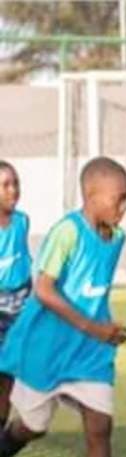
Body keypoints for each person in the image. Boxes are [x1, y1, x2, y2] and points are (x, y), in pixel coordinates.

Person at [0, 157, 126, 457]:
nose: (124, 206)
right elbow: (44, 290)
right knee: (33, 425)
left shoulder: (117, 238)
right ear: (92, 195)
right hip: (48, 351)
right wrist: (93, 326)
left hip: (90, 355)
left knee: (100, 427)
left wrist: (102, 330)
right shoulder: (66, 233)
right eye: (119, 198)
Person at [0, 161, 32, 429]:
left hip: (20, 306)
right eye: (5, 185)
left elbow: (22, 260)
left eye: (16, 183)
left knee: (9, 374)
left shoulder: (22, 221)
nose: (13, 190)